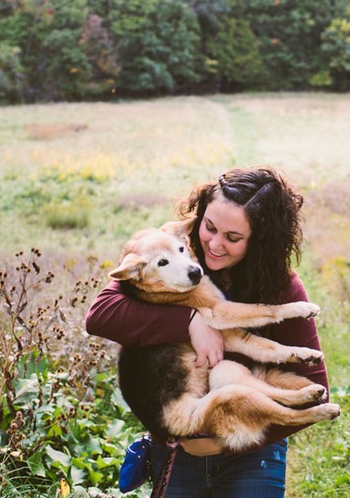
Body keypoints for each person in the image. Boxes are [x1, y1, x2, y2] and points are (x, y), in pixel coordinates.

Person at [86, 166, 330, 497]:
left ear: (259, 241)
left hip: (251, 453)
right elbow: (101, 315)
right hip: (176, 449)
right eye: (209, 227)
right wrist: (191, 321)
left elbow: (316, 387)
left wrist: (220, 445)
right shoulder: (171, 253)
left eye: (233, 238)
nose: (214, 244)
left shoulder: (282, 288)